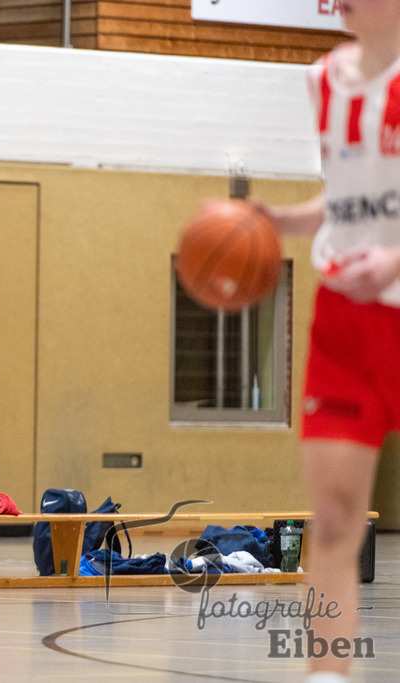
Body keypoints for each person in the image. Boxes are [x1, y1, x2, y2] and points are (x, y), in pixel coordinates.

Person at [265, 5, 400, 680]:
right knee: (336, 514)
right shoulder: (322, 79)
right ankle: (327, 674)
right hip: (345, 316)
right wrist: (275, 220)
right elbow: (346, 195)